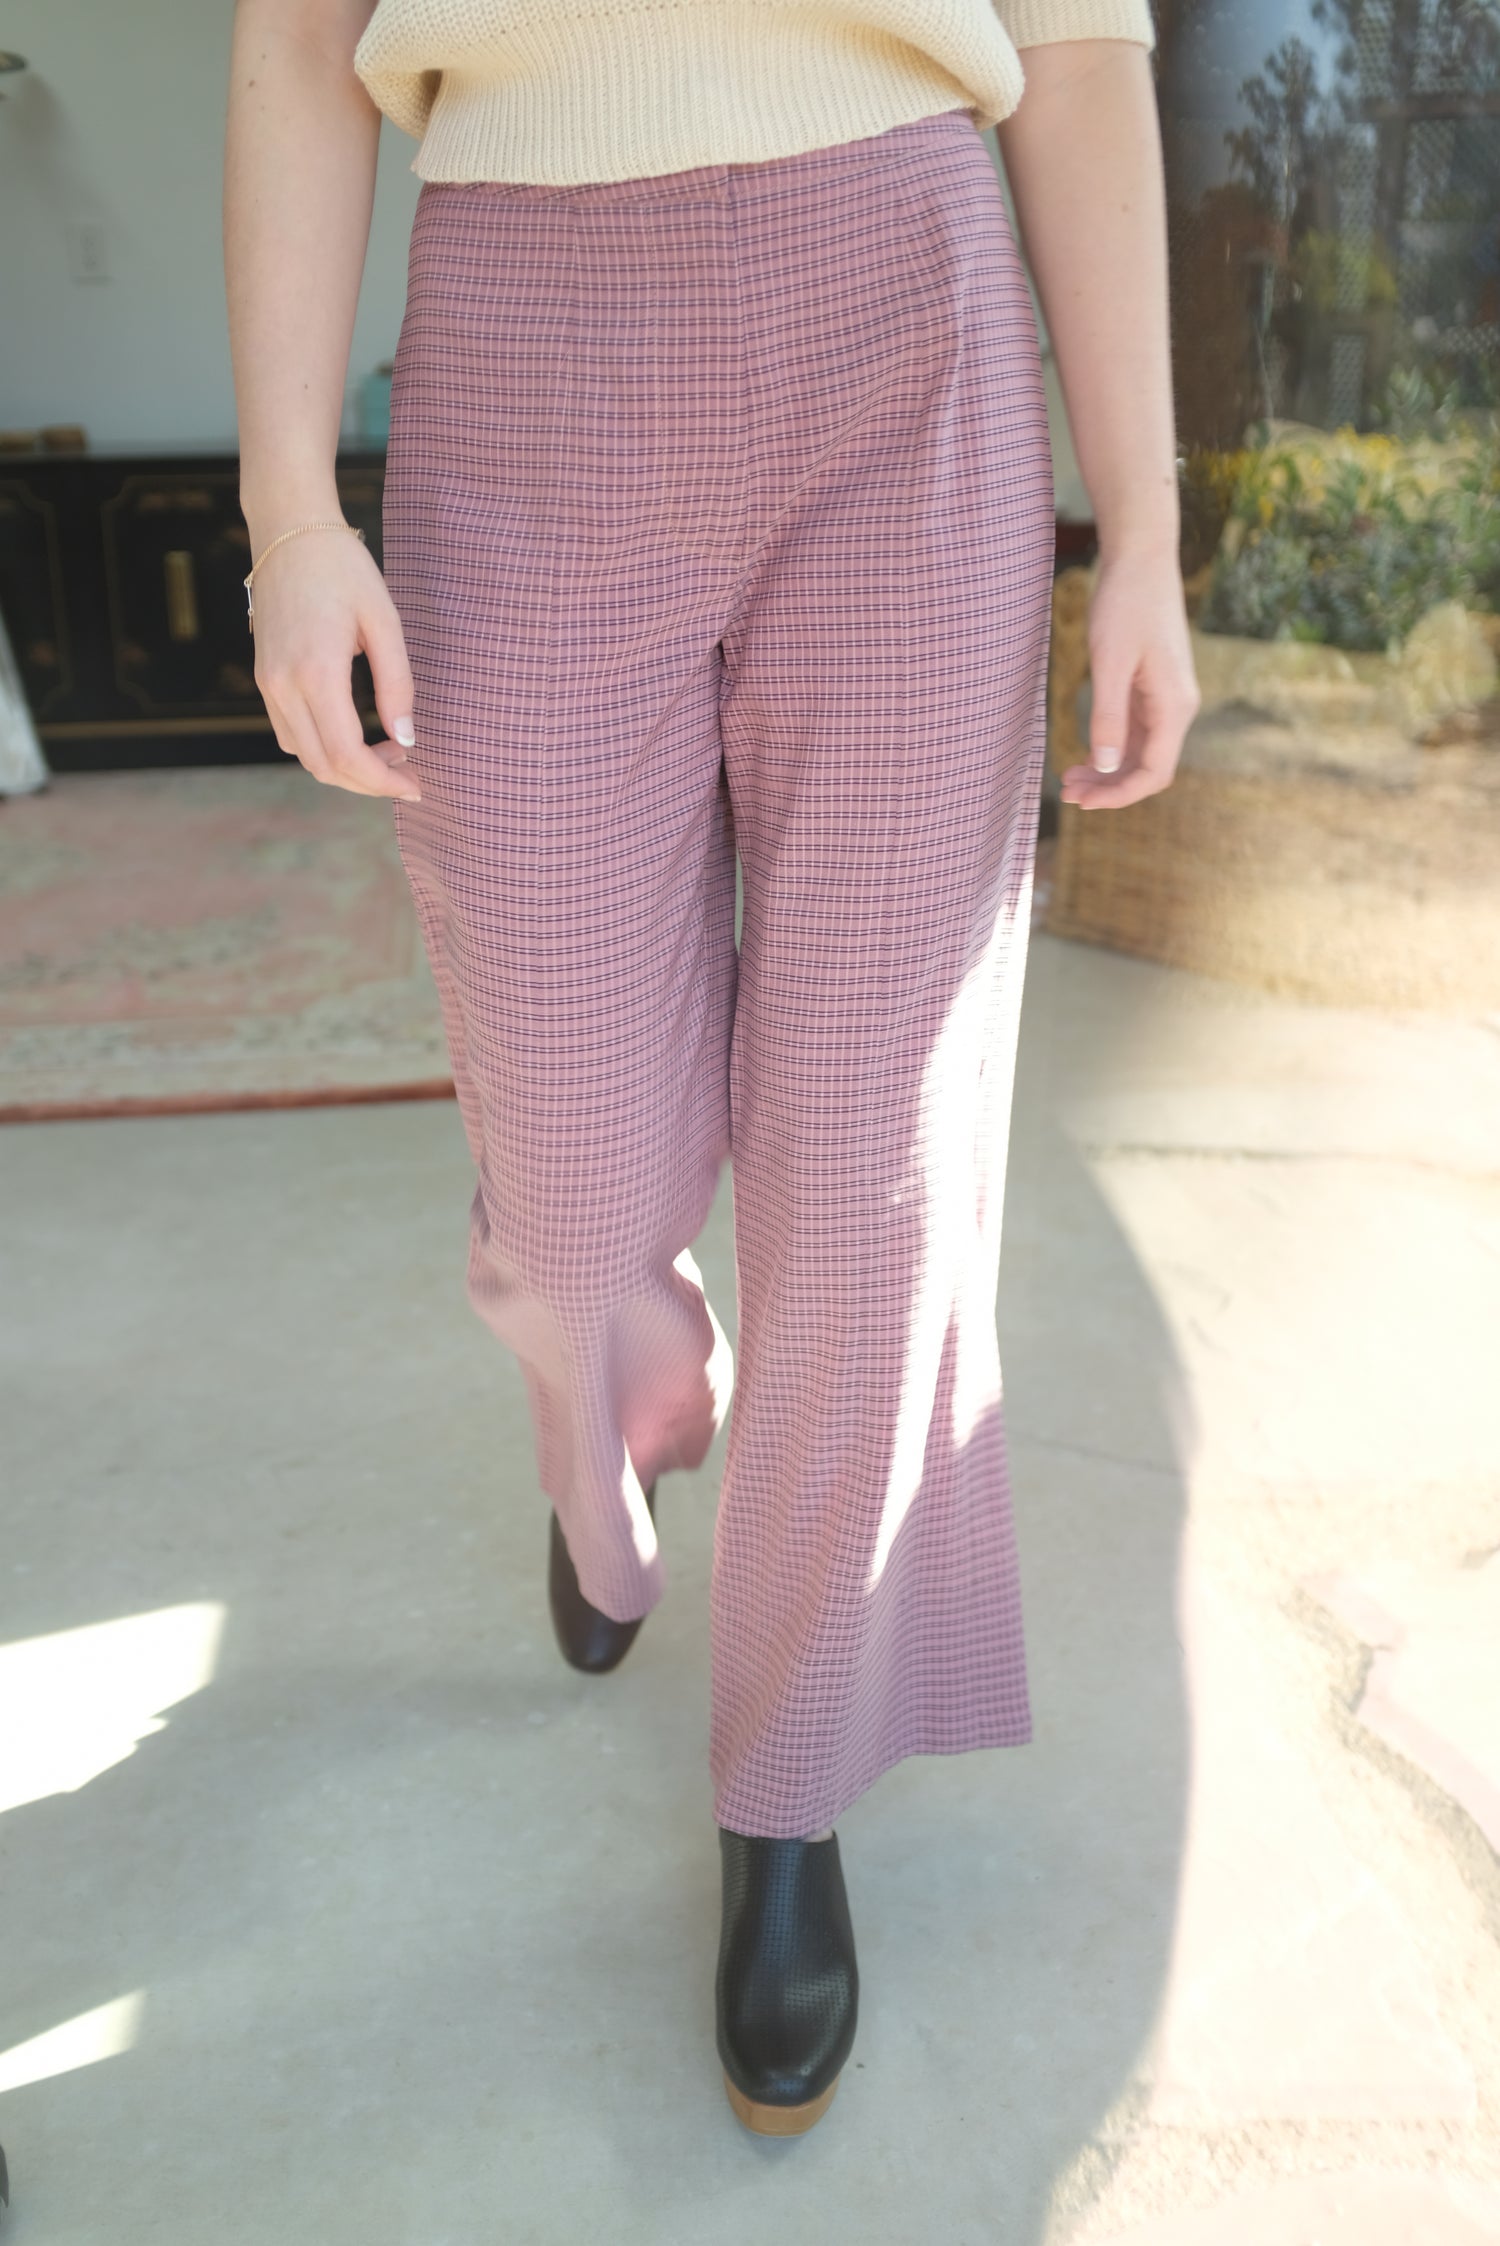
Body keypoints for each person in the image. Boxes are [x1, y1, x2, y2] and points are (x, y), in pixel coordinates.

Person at [223, 0, 1199, 2138]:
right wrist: (290, 509)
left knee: (873, 1180)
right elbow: (296, 39)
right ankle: (622, 1421)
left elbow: (1082, 46)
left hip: (908, 313)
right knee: (574, 1174)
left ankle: (790, 1775)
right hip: (526, 327)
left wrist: (1141, 519)